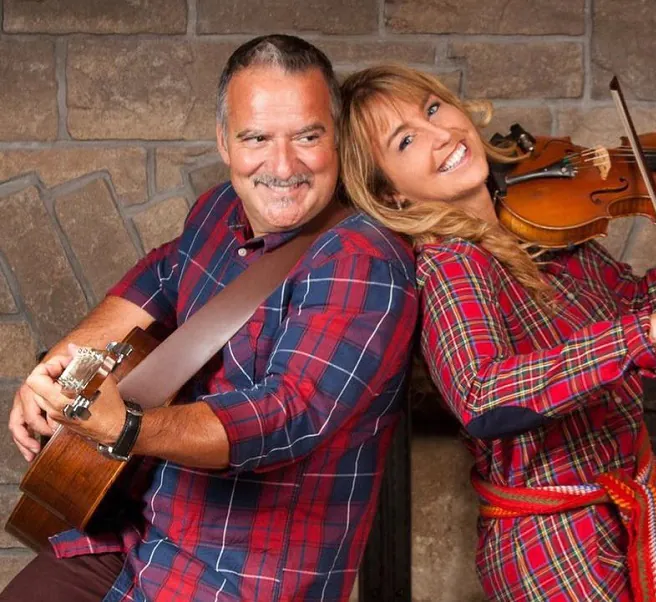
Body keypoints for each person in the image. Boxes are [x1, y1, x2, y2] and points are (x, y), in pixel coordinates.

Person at [337, 63, 656, 601]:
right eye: (407, 140)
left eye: (434, 108)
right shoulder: (451, 264)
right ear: (391, 194)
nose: (442, 134)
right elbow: (482, 394)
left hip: (646, 498)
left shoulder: (540, 224)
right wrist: (638, 336)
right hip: (558, 541)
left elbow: (640, 307)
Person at [3, 37, 417, 602]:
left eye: (307, 137)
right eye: (256, 138)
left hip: (237, 579)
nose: (283, 166)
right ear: (225, 141)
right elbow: (159, 277)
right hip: (132, 535)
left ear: (337, 139)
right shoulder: (219, 209)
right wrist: (59, 369)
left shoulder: (363, 261)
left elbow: (288, 413)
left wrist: (126, 426)